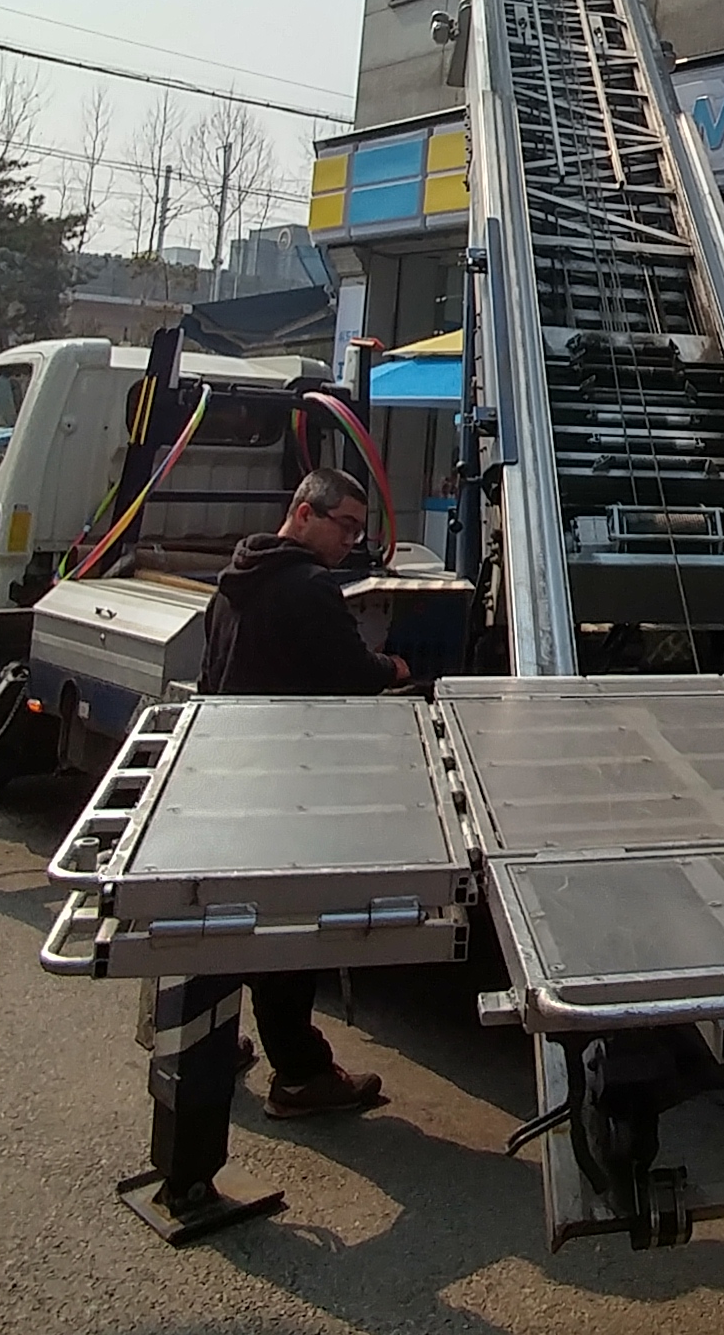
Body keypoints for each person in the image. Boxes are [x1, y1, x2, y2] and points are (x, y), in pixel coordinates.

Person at [197, 465, 411, 1118]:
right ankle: (300, 1075)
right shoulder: (310, 587)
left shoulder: (232, 582)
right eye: (344, 525)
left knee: (220, 921)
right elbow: (350, 672)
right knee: (289, 934)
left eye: (358, 529)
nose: (351, 541)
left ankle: (204, 1041)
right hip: (286, 789)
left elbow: (211, 677)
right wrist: (394, 667)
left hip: (226, 777)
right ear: (304, 513)